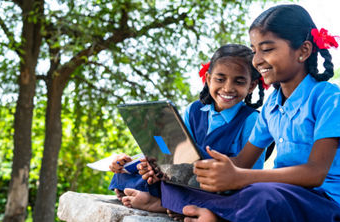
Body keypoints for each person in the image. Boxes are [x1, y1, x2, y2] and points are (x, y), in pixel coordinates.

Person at [160, 4, 340, 222]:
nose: (257, 60)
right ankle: (193, 204)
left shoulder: (331, 99)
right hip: (281, 192)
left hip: (325, 204)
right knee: (189, 184)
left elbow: (314, 173)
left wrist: (239, 178)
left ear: (303, 51)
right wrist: (188, 171)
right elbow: (241, 163)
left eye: (267, 49)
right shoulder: (271, 105)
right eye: (254, 50)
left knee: (263, 196)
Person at [109, 44, 269, 212]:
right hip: (183, 178)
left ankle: (161, 204)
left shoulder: (252, 119)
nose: (228, 88)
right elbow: (173, 154)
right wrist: (148, 165)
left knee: (230, 196)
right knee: (128, 174)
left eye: (239, 81)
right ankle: (169, 200)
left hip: (220, 185)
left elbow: (251, 174)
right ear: (208, 79)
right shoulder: (194, 110)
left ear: (251, 86)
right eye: (220, 79)